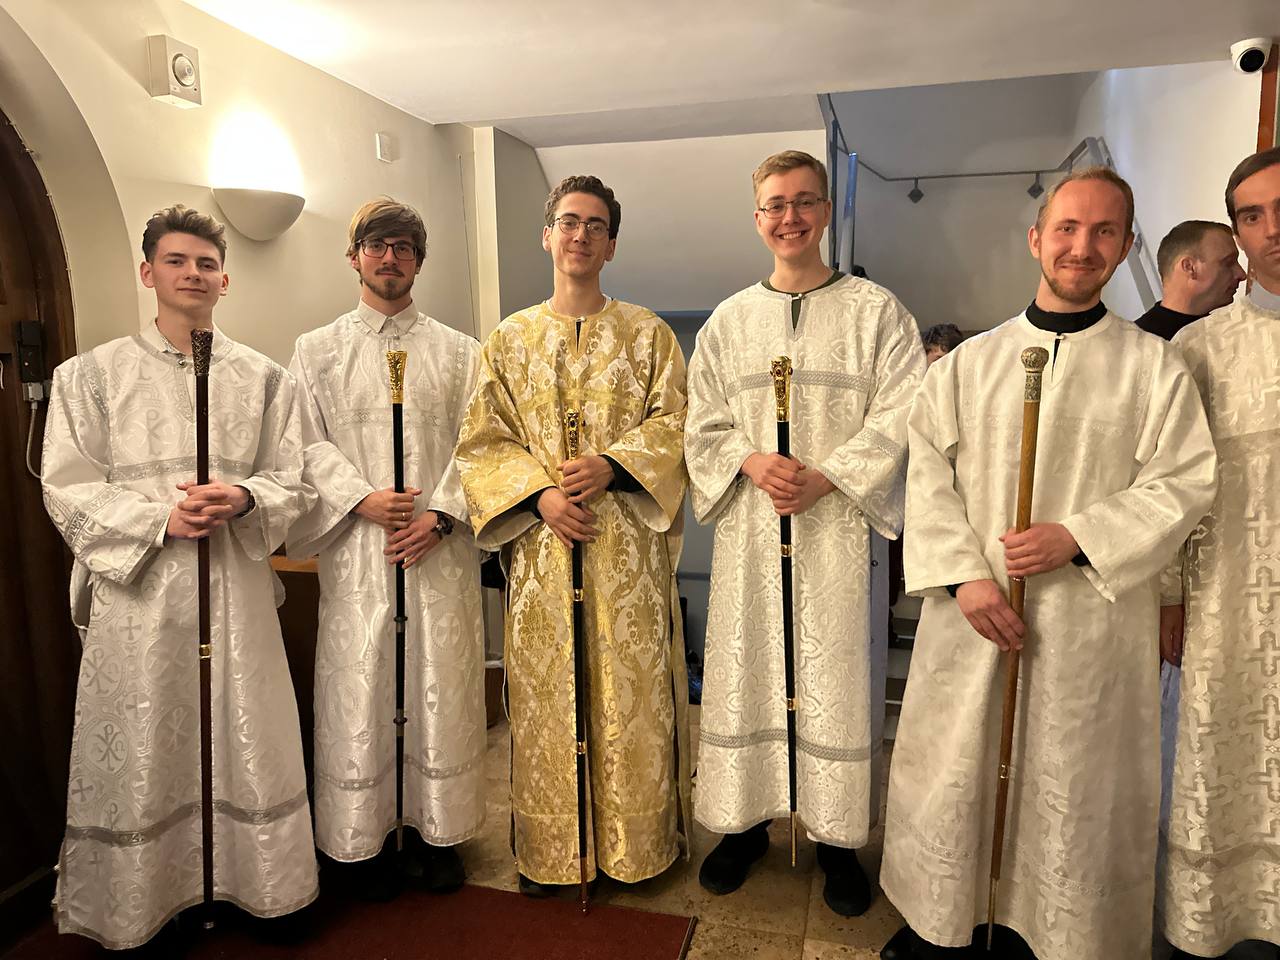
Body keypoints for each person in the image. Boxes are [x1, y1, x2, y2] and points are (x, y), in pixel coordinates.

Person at [878, 167, 1218, 960]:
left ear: (1125, 246)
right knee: (956, 770)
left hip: (1088, 626)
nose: (1082, 247)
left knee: (1071, 778)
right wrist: (964, 576)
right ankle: (943, 920)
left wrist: (1080, 536)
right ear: (1037, 238)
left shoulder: (1153, 368)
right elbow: (925, 471)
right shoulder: (969, 364)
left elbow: (1184, 481)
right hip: (974, 614)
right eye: (1067, 228)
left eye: (1104, 232)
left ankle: (1056, 931)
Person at [41, 205, 318, 949]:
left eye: (205, 264)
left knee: (245, 728)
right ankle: (144, 901)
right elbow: (66, 485)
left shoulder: (265, 379)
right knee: (146, 741)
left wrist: (245, 496)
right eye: (176, 261)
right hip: (143, 597)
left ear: (224, 280)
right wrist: (157, 519)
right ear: (148, 272)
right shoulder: (90, 377)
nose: (192, 274)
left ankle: (257, 885)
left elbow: (296, 479)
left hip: (234, 592)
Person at [685, 149, 925, 916]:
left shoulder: (876, 312)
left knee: (837, 679)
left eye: (804, 201)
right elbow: (702, 421)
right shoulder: (729, 321)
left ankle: (837, 841)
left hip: (838, 535)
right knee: (751, 670)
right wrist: (752, 459)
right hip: (755, 534)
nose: (789, 217)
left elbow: (904, 410)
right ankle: (745, 826)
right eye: (775, 204)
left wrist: (830, 474)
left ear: (825, 211)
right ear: (757, 218)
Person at [454, 175, 691, 895]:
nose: (580, 235)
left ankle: (634, 847)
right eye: (568, 221)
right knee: (547, 699)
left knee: (630, 698)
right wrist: (542, 496)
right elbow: (482, 442)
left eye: (595, 225)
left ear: (611, 243)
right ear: (546, 235)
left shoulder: (648, 334)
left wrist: (612, 465)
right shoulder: (508, 340)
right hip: (543, 550)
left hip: (625, 549)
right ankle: (557, 850)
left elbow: (677, 423)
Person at [286, 199, 485, 898]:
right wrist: (360, 499)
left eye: (403, 247)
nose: (390, 258)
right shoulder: (316, 352)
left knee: (437, 686)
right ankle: (362, 836)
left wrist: (442, 516)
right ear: (355, 258)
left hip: (437, 555)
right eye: (377, 246)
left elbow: (483, 445)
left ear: (419, 261)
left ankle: (436, 833)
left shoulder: (462, 352)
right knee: (362, 687)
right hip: (360, 554)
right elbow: (302, 443)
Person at [1159, 146, 1280, 959]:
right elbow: (1169, 490)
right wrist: (1168, 594)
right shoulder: (1199, 351)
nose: (1273, 229)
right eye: (1253, 216)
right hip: (1230, 610)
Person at [1135, 219, 1245, 340]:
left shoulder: (1232, 328)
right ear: (1189, 267)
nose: (1242, 275)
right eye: (1228, 263)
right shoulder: (1140, 344)